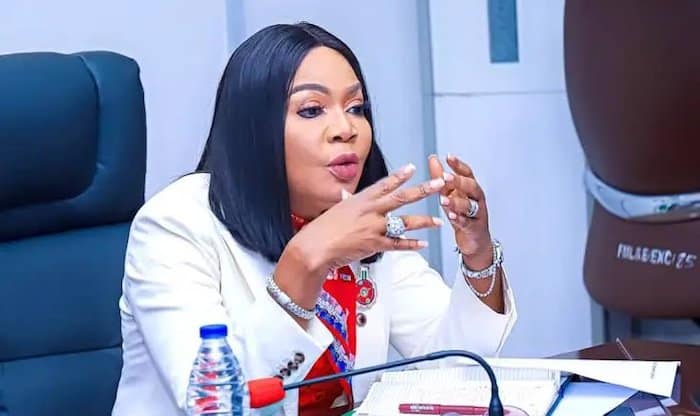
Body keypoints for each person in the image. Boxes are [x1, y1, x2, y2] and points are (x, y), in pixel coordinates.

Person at [112, 22, 516, 416]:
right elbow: (216, 404)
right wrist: (307, 261)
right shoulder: (175, 224)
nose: (345, 128)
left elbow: (459, 366)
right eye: (311, 110)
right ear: (255, 129)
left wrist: (477, 252)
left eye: (356, 108)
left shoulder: (359, 221)